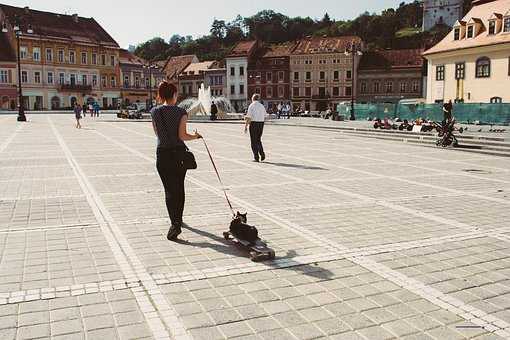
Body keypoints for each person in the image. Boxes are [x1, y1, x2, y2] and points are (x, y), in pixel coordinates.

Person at [151, 81, 202, 241]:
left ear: (161, 95)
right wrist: (196, 136)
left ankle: (174, 224)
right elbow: (182, 136)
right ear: (174, 94)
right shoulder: (181, 112)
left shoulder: (155, 112)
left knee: (169, 190)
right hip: (179, 155)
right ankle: (178, 219)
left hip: (163, 154)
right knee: (179, 188)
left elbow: (157, 134)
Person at [244, 94, 267, 162]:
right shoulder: (262, 106)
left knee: (253, 141)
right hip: (261, 123)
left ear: (253, 98)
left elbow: (249, 117)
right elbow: (265, 116)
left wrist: (245, 126)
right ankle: (262, 154)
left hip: (254, 124)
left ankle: (256, 157)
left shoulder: (251, 105)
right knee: (258, 140)